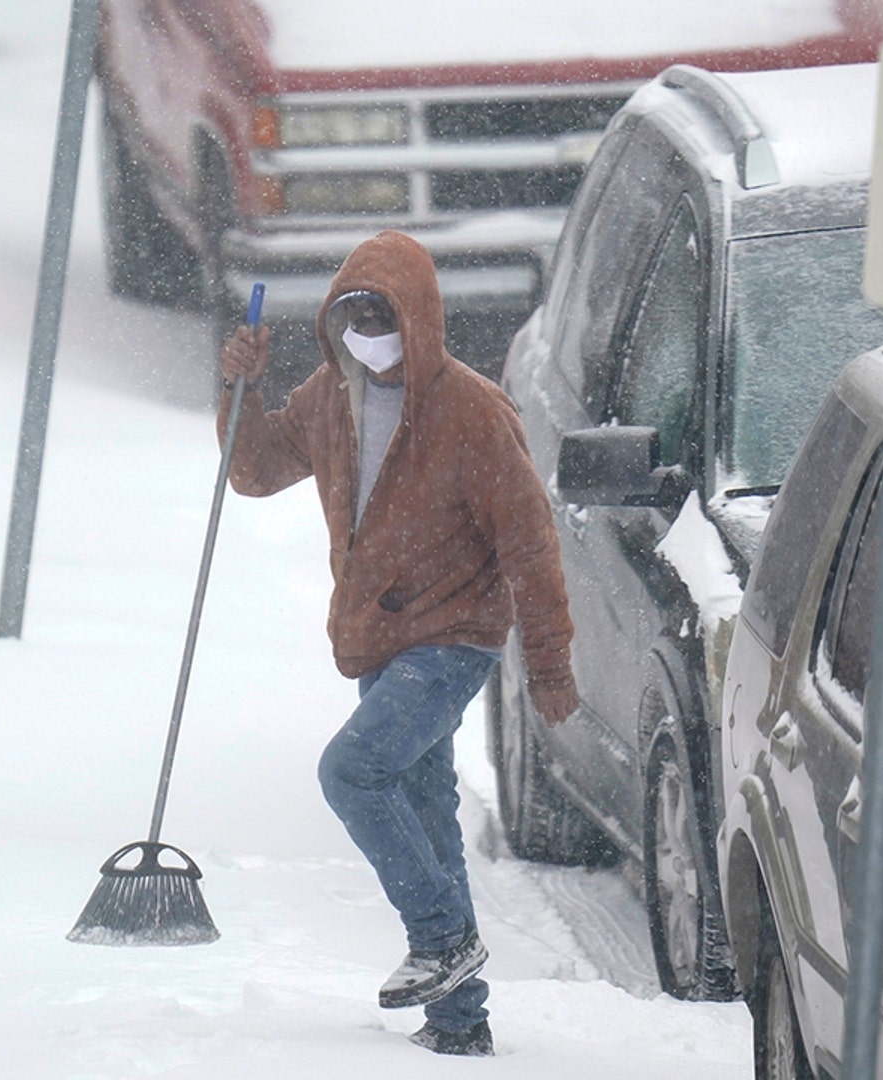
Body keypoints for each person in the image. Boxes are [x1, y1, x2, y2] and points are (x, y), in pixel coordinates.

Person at [216, 231, 579, 1057]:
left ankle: (442, 937)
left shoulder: (471, 411)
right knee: (424, 808)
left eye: (381, 317)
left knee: (352, 770)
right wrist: (240, 385)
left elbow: (528, 541)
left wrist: (551, 662)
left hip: (454, 638)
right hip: (380, 637)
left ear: (417, 322)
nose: (366, 333)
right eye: (351, 316)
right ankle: (459, 1020)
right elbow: (257, 469)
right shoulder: (330, 396)